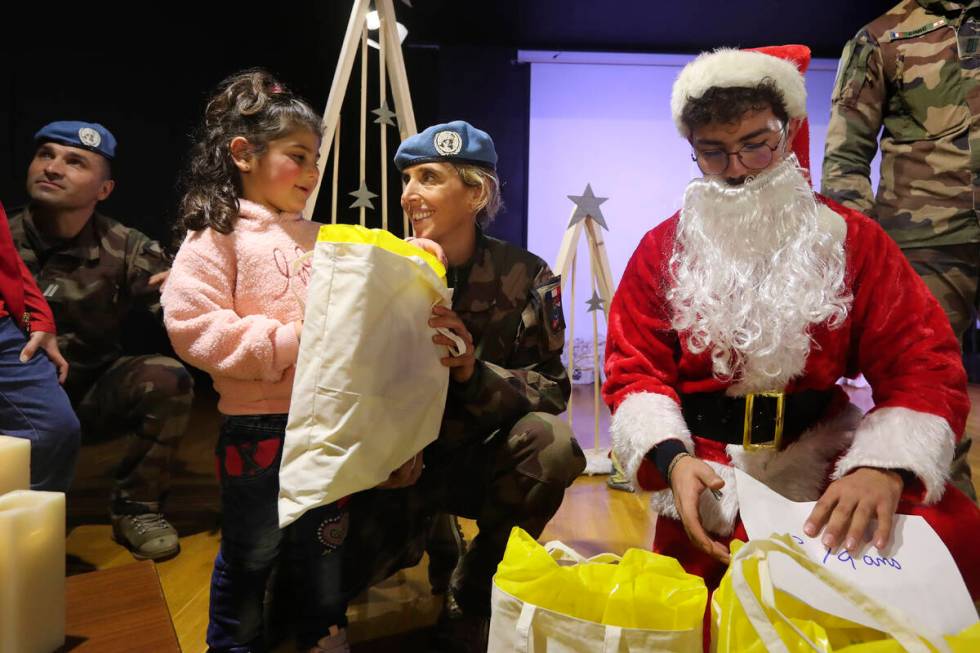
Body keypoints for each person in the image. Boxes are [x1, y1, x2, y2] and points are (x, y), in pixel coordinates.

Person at [603, 45, 980, 597]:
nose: (736, 171)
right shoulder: (662, 250)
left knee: (955, 546)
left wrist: (882, 467)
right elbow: (634, 372)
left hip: (825, 458)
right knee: (708, 613)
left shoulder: (854, 241)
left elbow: (922, 363)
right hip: (706, 472)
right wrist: (672, 459)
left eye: (757, 146)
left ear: (789, 132)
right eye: (713, 153)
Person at [340, 120, 586, 653]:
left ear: (475, 192)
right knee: (307, 599)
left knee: (553, 446)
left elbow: (552, 388)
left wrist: (474, 372)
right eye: (406, 179)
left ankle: (473, 591)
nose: (408, 194)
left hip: (477, 459)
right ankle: (426, 533)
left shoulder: (526, 275)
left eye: (428, 178)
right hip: (391, 466)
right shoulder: (379, 268)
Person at [161, 68, 360, 653]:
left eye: (316, 157)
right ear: (244, 154)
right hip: (259, 426)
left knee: (324, 547)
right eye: (298, 154)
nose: (313, 171)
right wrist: (294, 341)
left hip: (328, 424)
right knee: (252, 553)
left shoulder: (328, 238)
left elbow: (364, 302)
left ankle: (319, 636)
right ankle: (234, 646)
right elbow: (192, 325)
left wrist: (412, 264)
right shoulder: (215, 236)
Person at [9, 120, 191, 559]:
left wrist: (191, 293)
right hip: (9, 399)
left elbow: (178, 312)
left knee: (167, 378)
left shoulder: (124, 245)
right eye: (45, 155)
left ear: (104, 189)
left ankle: (137, 506)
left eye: (75, 162)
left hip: (86, 393)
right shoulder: (4, 241)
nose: (53, 168)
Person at [822, 0, 980, 501]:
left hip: (933, 246)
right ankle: (952, 538)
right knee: (924, 399)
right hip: (926, 246)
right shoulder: (882, 37)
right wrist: (861, 251)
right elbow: (846, 154)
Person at [0, 199, 79, 491]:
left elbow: (5, 255)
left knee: (53, 428)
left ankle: (25, 530)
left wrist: (39, 318)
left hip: (5, 332)